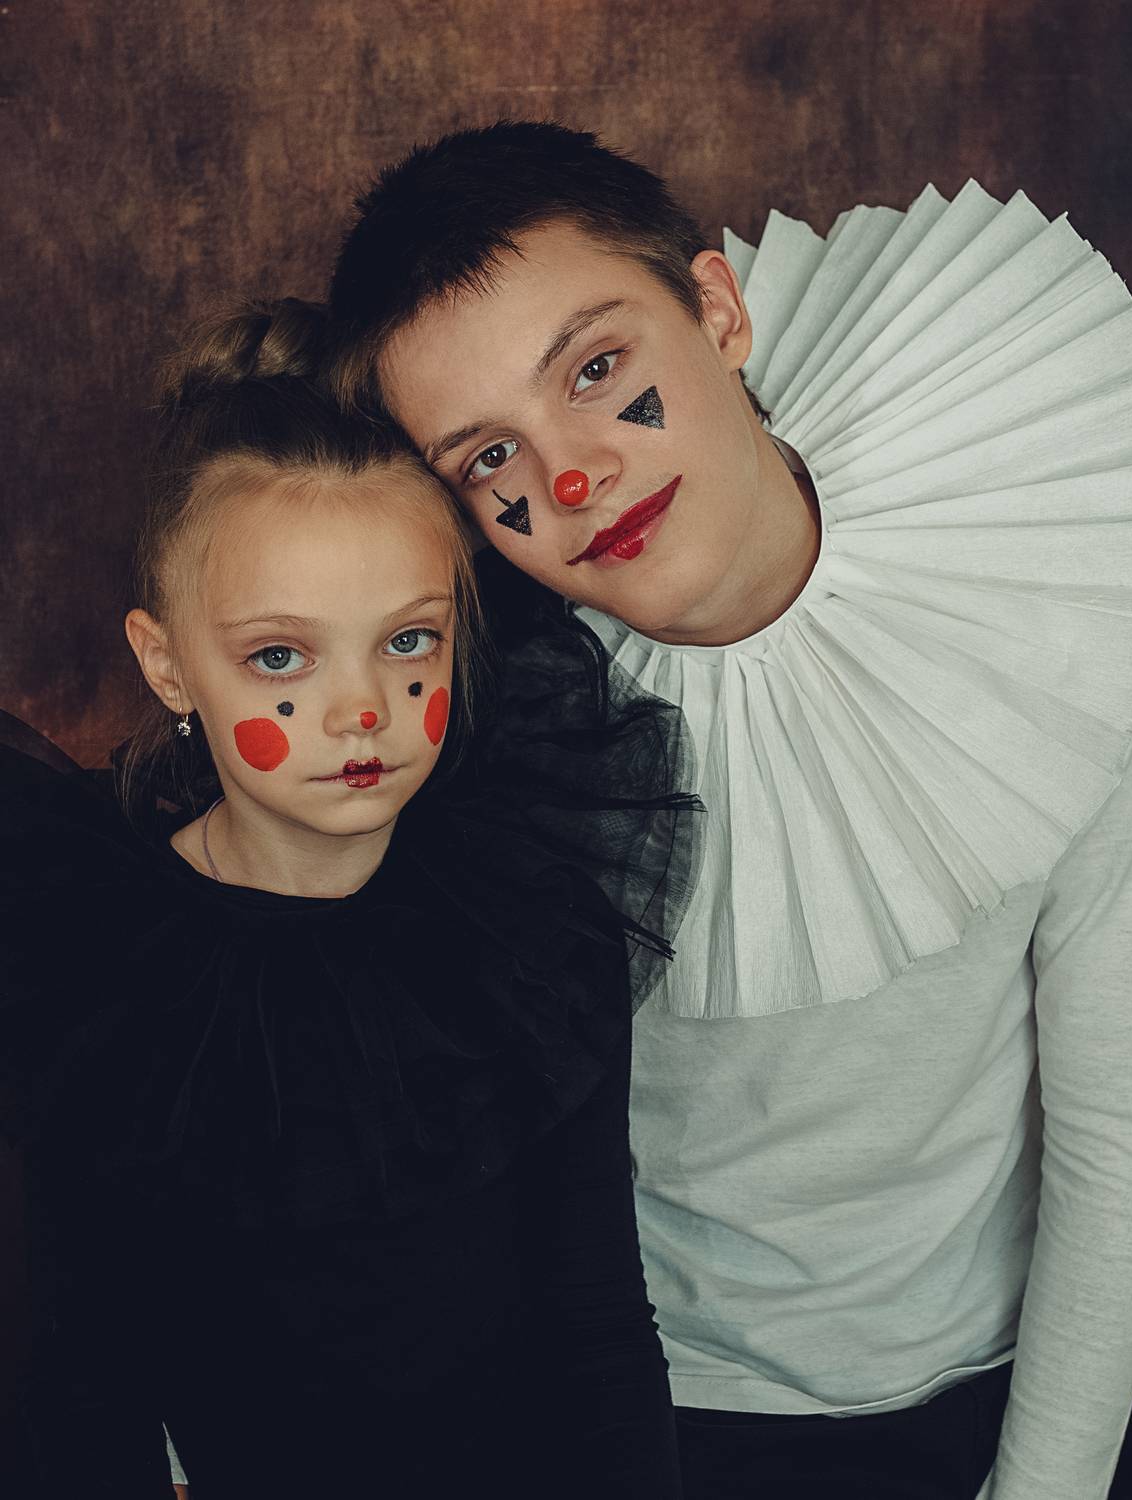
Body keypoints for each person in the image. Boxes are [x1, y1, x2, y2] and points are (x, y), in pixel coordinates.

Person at [326, 121, 1132, 1500]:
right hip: (660, 1411)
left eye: (597, 370)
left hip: (1031, 1379)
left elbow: (1123, 1129)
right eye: (489, 460)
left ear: (716, 310)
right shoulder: (489, 727)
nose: (571, 479)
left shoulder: (1043, 569)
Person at [0, 297, 700, 1498]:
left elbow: (597, 1326)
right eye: (281, 656)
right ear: (168, 665)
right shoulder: (93, 973)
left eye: (408, 642)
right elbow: (79, 1385)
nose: (361, 710)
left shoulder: (531, 936)